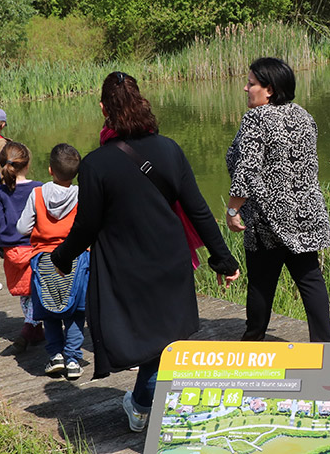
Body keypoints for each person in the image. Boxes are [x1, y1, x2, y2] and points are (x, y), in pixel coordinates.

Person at [51, 71, 240, 432]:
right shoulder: (169, 149)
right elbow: (198, 209)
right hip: (170, 259)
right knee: (166, 342)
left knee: (153, 344)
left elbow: (87, 226)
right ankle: (143, 403)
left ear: (104, 108)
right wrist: (222, 258)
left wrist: (62, 257)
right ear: (141, 102)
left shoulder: (95, 163)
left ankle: (141, 406)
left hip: (126, 267)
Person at [225, 57, 330, 343]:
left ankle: (252, 344)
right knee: (310, 279)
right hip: (306, 212)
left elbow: (246, 168)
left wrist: (232, 208)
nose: (245, 88)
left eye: (251, 84)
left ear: (269, 90)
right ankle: (324, 347)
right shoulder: (303, 115)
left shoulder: (256, 118)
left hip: (268, 218)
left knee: (261, 283)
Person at [14, 144, 86, 380]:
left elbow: (22, 228)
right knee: (75, 311)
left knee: (49, 310)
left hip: (44, 259)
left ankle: (55, 355)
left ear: (50, 170)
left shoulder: (37, 194)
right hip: (76, 257)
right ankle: (74, 359)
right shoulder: (81, 194)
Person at [0, 141, 46, 343]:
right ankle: (31, 326)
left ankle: (33, 326)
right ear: (27, 164)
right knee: (38, 287)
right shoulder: (39, 188)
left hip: (12, 250)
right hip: (35, 247)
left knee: (24, 291)